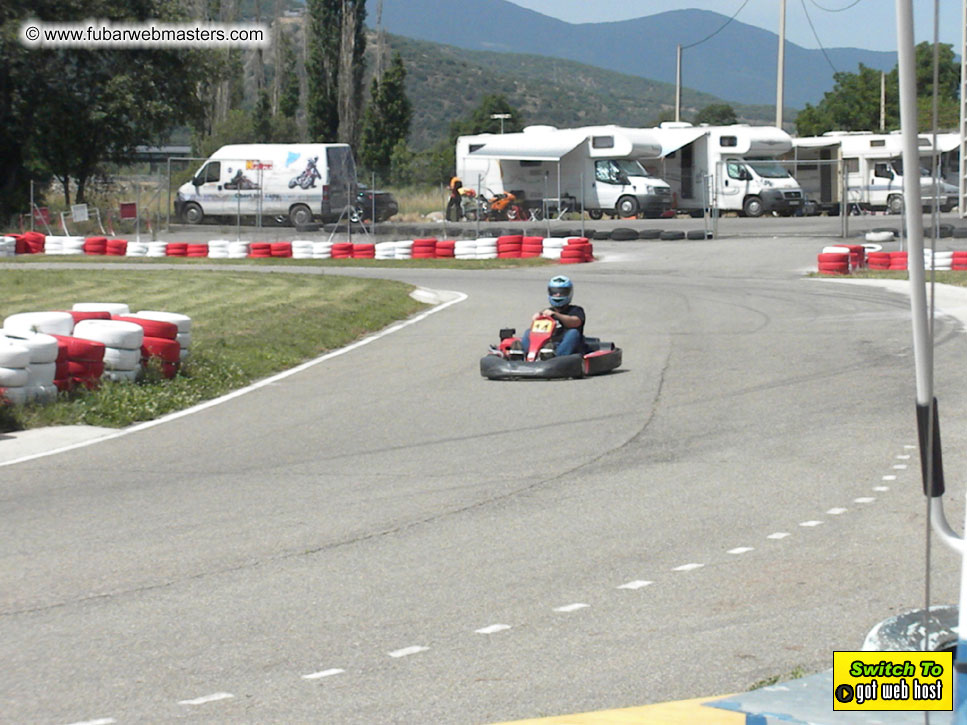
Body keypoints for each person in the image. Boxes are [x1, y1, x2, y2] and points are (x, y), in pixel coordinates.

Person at [519, 275, 585, 356]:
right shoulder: (546, 312)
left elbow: (575, 322)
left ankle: (557, 356)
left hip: (567, 348)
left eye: (562, 292)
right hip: (548, 345)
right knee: (528, 332)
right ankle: (524, 354)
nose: (557, 295)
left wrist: (556, 315)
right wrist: (536, 319)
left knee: (573, 333)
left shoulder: (576, 310)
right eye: (554, 292)